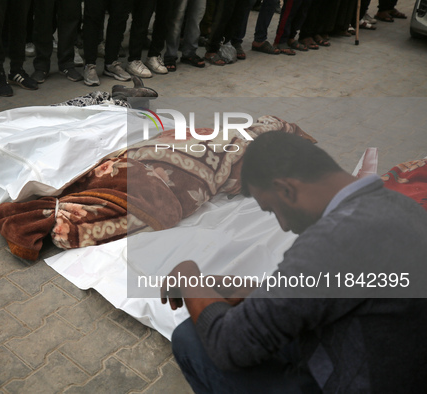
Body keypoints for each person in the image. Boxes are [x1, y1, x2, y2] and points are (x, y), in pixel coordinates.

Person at [161, 132, 427, 393]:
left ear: (286, 189)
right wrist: (260, 291)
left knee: (191, 339)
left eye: (272, 209)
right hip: (390, 358)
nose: (284, 226)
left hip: (358, 376)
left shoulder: (333, 238)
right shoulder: (398, 205)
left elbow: (229, 345)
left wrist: (188, 276)